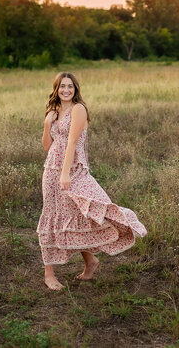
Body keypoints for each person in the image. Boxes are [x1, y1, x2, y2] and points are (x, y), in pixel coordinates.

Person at [37, 72, 147, 290]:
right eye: (62, 87)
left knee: (82, 212)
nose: (66, 90)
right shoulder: (53, 111)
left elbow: (71, 143)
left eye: (70, 86)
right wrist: (47, 124)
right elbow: (48, 147)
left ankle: (91, 260)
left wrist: (65, 173)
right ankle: (49, 274)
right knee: (52, 215)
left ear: (76, 89)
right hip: (50, 170)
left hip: (73, 170)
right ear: (56, 89)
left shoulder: (79, 109)